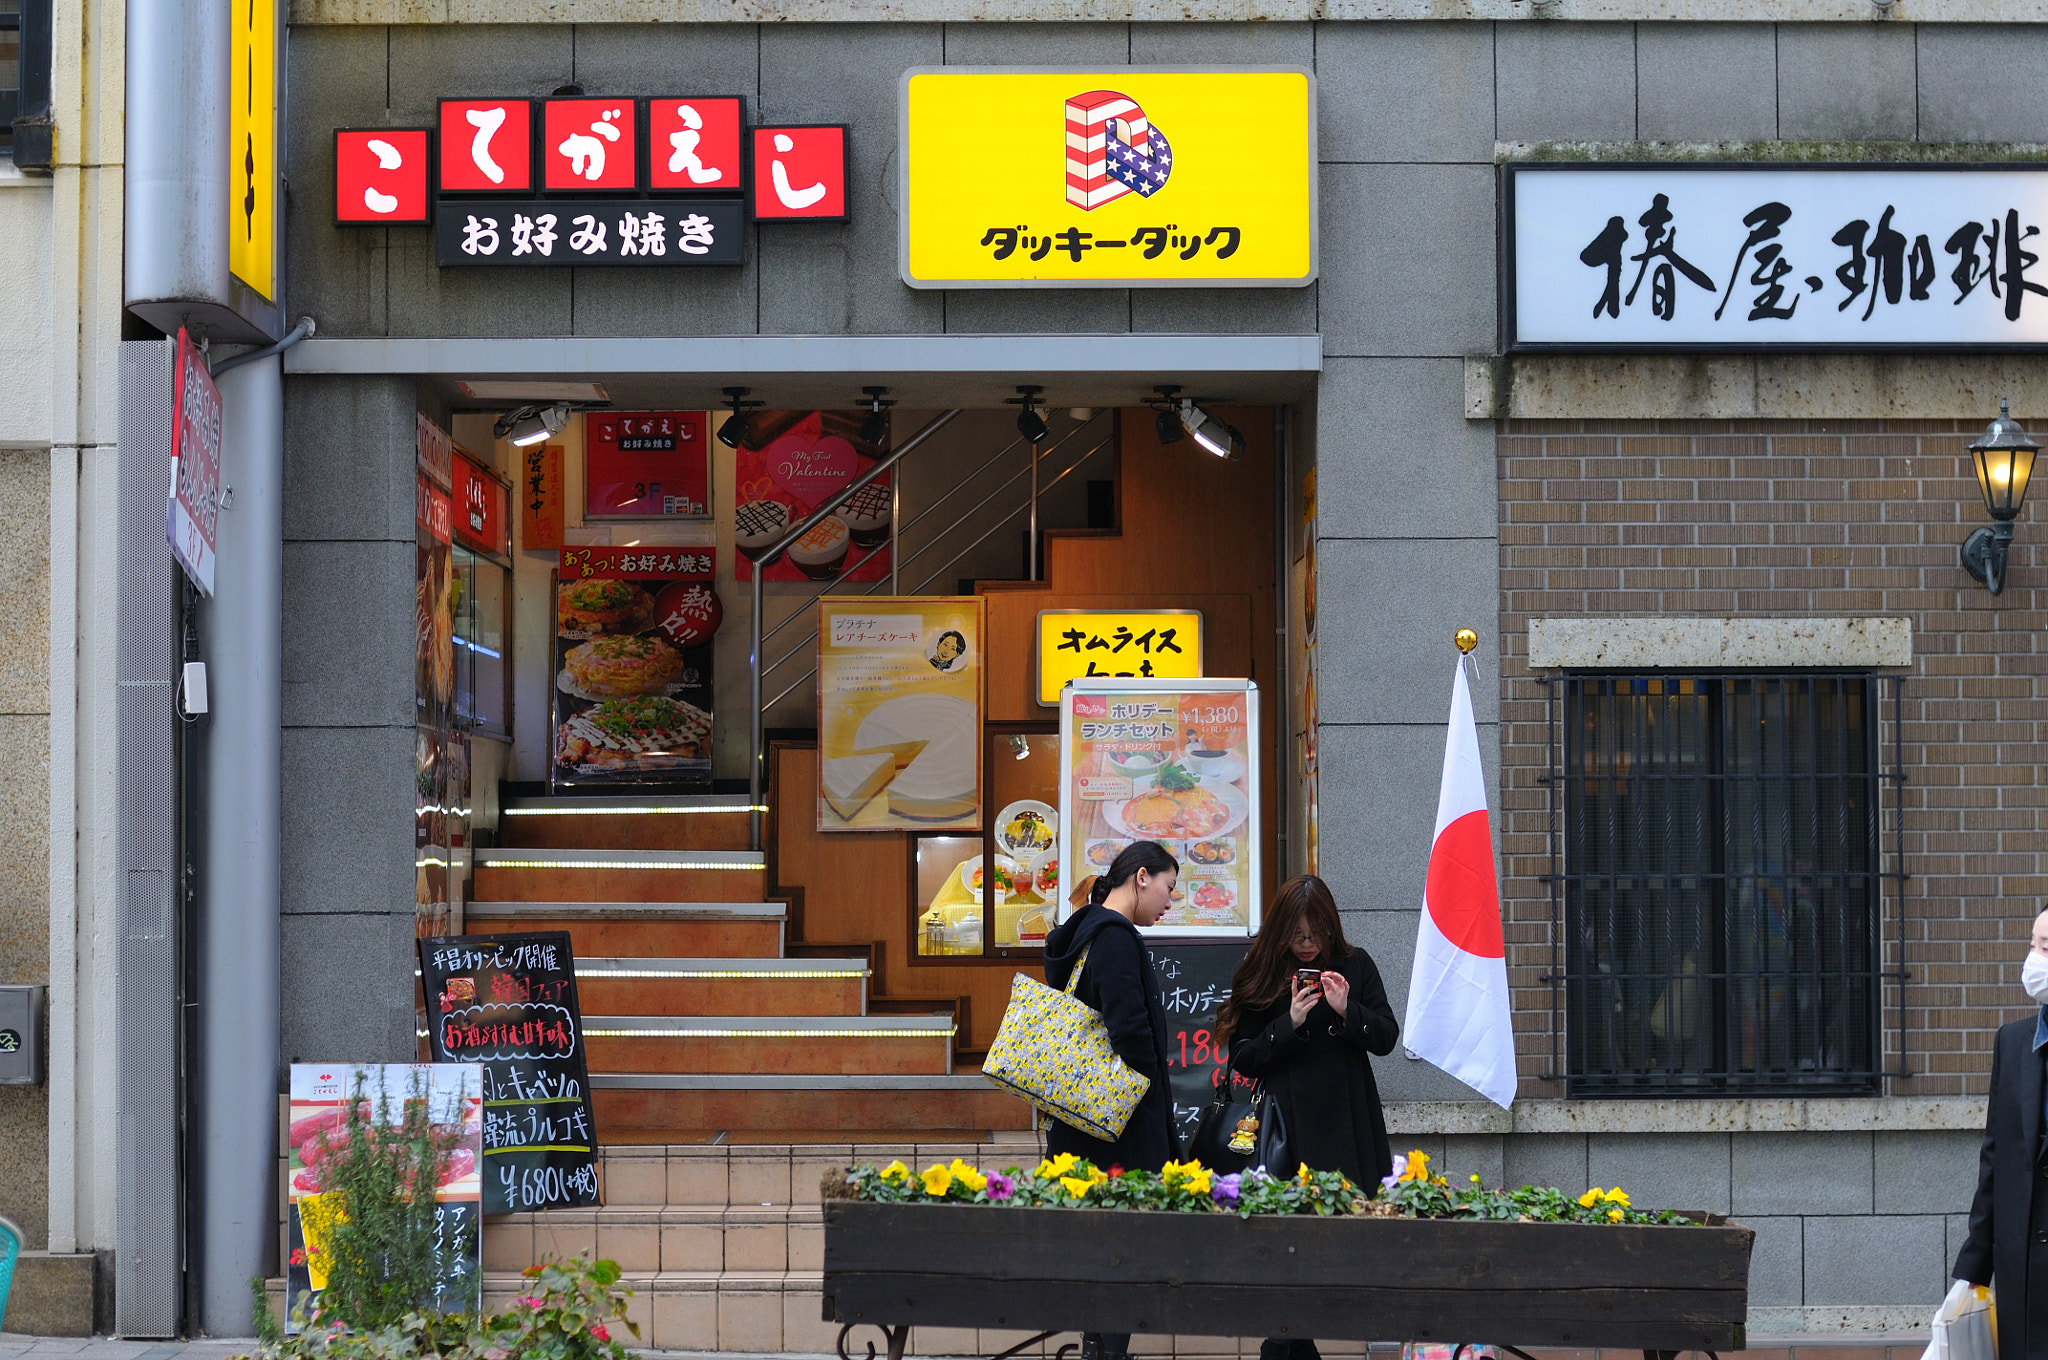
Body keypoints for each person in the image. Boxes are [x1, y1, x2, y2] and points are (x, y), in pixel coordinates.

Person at [1217, 874, 1400, 1360]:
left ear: (1328, 927)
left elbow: (1385, 1037)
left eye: (1314, 935)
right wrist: (1290, 1022)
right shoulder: (1261, 969)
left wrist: (1346, 1008)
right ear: (1281, 932)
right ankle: (1286, 1342)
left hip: (1348, 1121)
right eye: (1297, 936)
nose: (1306, 945)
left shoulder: (1354, 965)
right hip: (1284, 1128)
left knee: (1343, 1241)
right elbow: (1244, 1057)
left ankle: (1292, 1342)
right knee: (1287, 1240)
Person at [1041, 841, 1179, 1360]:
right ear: (1141, 877)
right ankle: (1106, 1353)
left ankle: (1099, 1348)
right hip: (1119, 1128)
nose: (1170, 900)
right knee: (1123, 1253)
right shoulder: (1117, 938)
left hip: (1082, 1122)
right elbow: (1131, 1033)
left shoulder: (1082, 934)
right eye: (1168, 886)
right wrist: (1150, 1095)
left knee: (1102, 1251)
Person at [1954, 906, 2048, 1360]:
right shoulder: (2013, 1042)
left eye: (2044, 947)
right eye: (2033, 945)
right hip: (2024, 1275)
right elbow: (1995, 1159)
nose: (2033, 959)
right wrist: (1973, 1269)